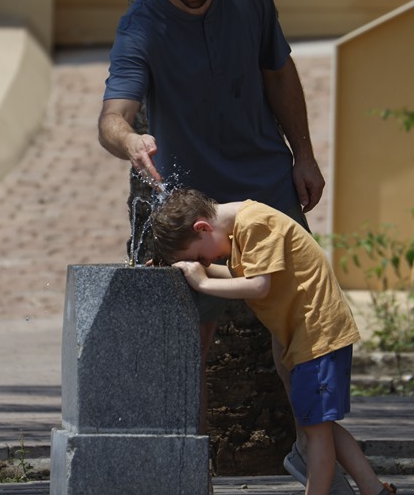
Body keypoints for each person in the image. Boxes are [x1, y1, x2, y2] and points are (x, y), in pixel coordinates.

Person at [97, 0, 327, 485]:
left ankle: (312, 447)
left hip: (270, 186)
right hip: (194, 208)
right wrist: (131, 142)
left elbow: (279, 73)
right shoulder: (140, 26)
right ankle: (190, 468)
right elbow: (113, 117)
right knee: (189, 348)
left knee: (298, 334)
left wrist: (303, 153)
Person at [150, 188, 398, 495]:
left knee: (316, 435)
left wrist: (202, 281)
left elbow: (258, 286)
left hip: (318, 336)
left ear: (202, 227)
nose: (207, 260)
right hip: (305, 338)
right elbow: (238, 274)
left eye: (201, 256)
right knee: (319, 424)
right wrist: (190, 270)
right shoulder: (241, 229)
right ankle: (374, 489)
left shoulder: (255, 224)